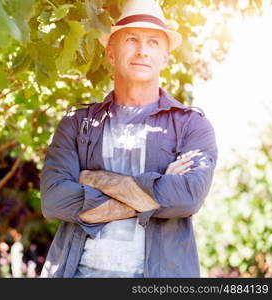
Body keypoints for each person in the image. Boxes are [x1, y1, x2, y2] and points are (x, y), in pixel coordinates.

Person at [39, 0, 217, 278]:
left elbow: (186, 197)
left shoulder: (191, 126)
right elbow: (54, 201)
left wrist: (93, 179)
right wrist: (155, 190)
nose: (142, 51)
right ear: (111, 53)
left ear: (166, 58)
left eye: (154, 43)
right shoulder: (78, 124)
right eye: (131, 39)